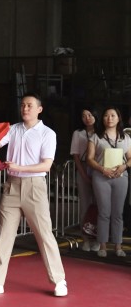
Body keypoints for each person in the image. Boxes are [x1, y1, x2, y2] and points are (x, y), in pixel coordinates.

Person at [0, 94, 67, 297]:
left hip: (35, 186)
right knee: (5, 235)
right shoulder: (13, 129)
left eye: (30, 105)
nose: (25, 108)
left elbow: (46, 165)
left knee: (44, 234)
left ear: (39, 110)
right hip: (12, 186)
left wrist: (20, 167)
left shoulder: (47, 133)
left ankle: (59, 281)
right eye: (23, 105)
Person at [85, 106, 131, 258]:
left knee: (118, 213)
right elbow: (90, 159)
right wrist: (101, 169)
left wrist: (124, 166)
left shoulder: (126, 138)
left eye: (113, 115)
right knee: (104, 212)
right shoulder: (95, 137)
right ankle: (102, 246)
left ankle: (118, 246)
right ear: (102, 119)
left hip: (120, 177)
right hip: (101, 177)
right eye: (106, 115)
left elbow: (130, 158)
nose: (109, 118)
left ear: (118, 119)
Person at [71, 108, 99, 251]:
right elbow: (76, 156)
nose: (87, 118)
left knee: (100, 205)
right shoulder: (78, 133)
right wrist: (83, 175)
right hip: (83, 167)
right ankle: (86, 239)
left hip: (99, 169)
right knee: (85, 205)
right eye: (83, 116)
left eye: (90, 114)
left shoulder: (101, 133)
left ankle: (98, 240)